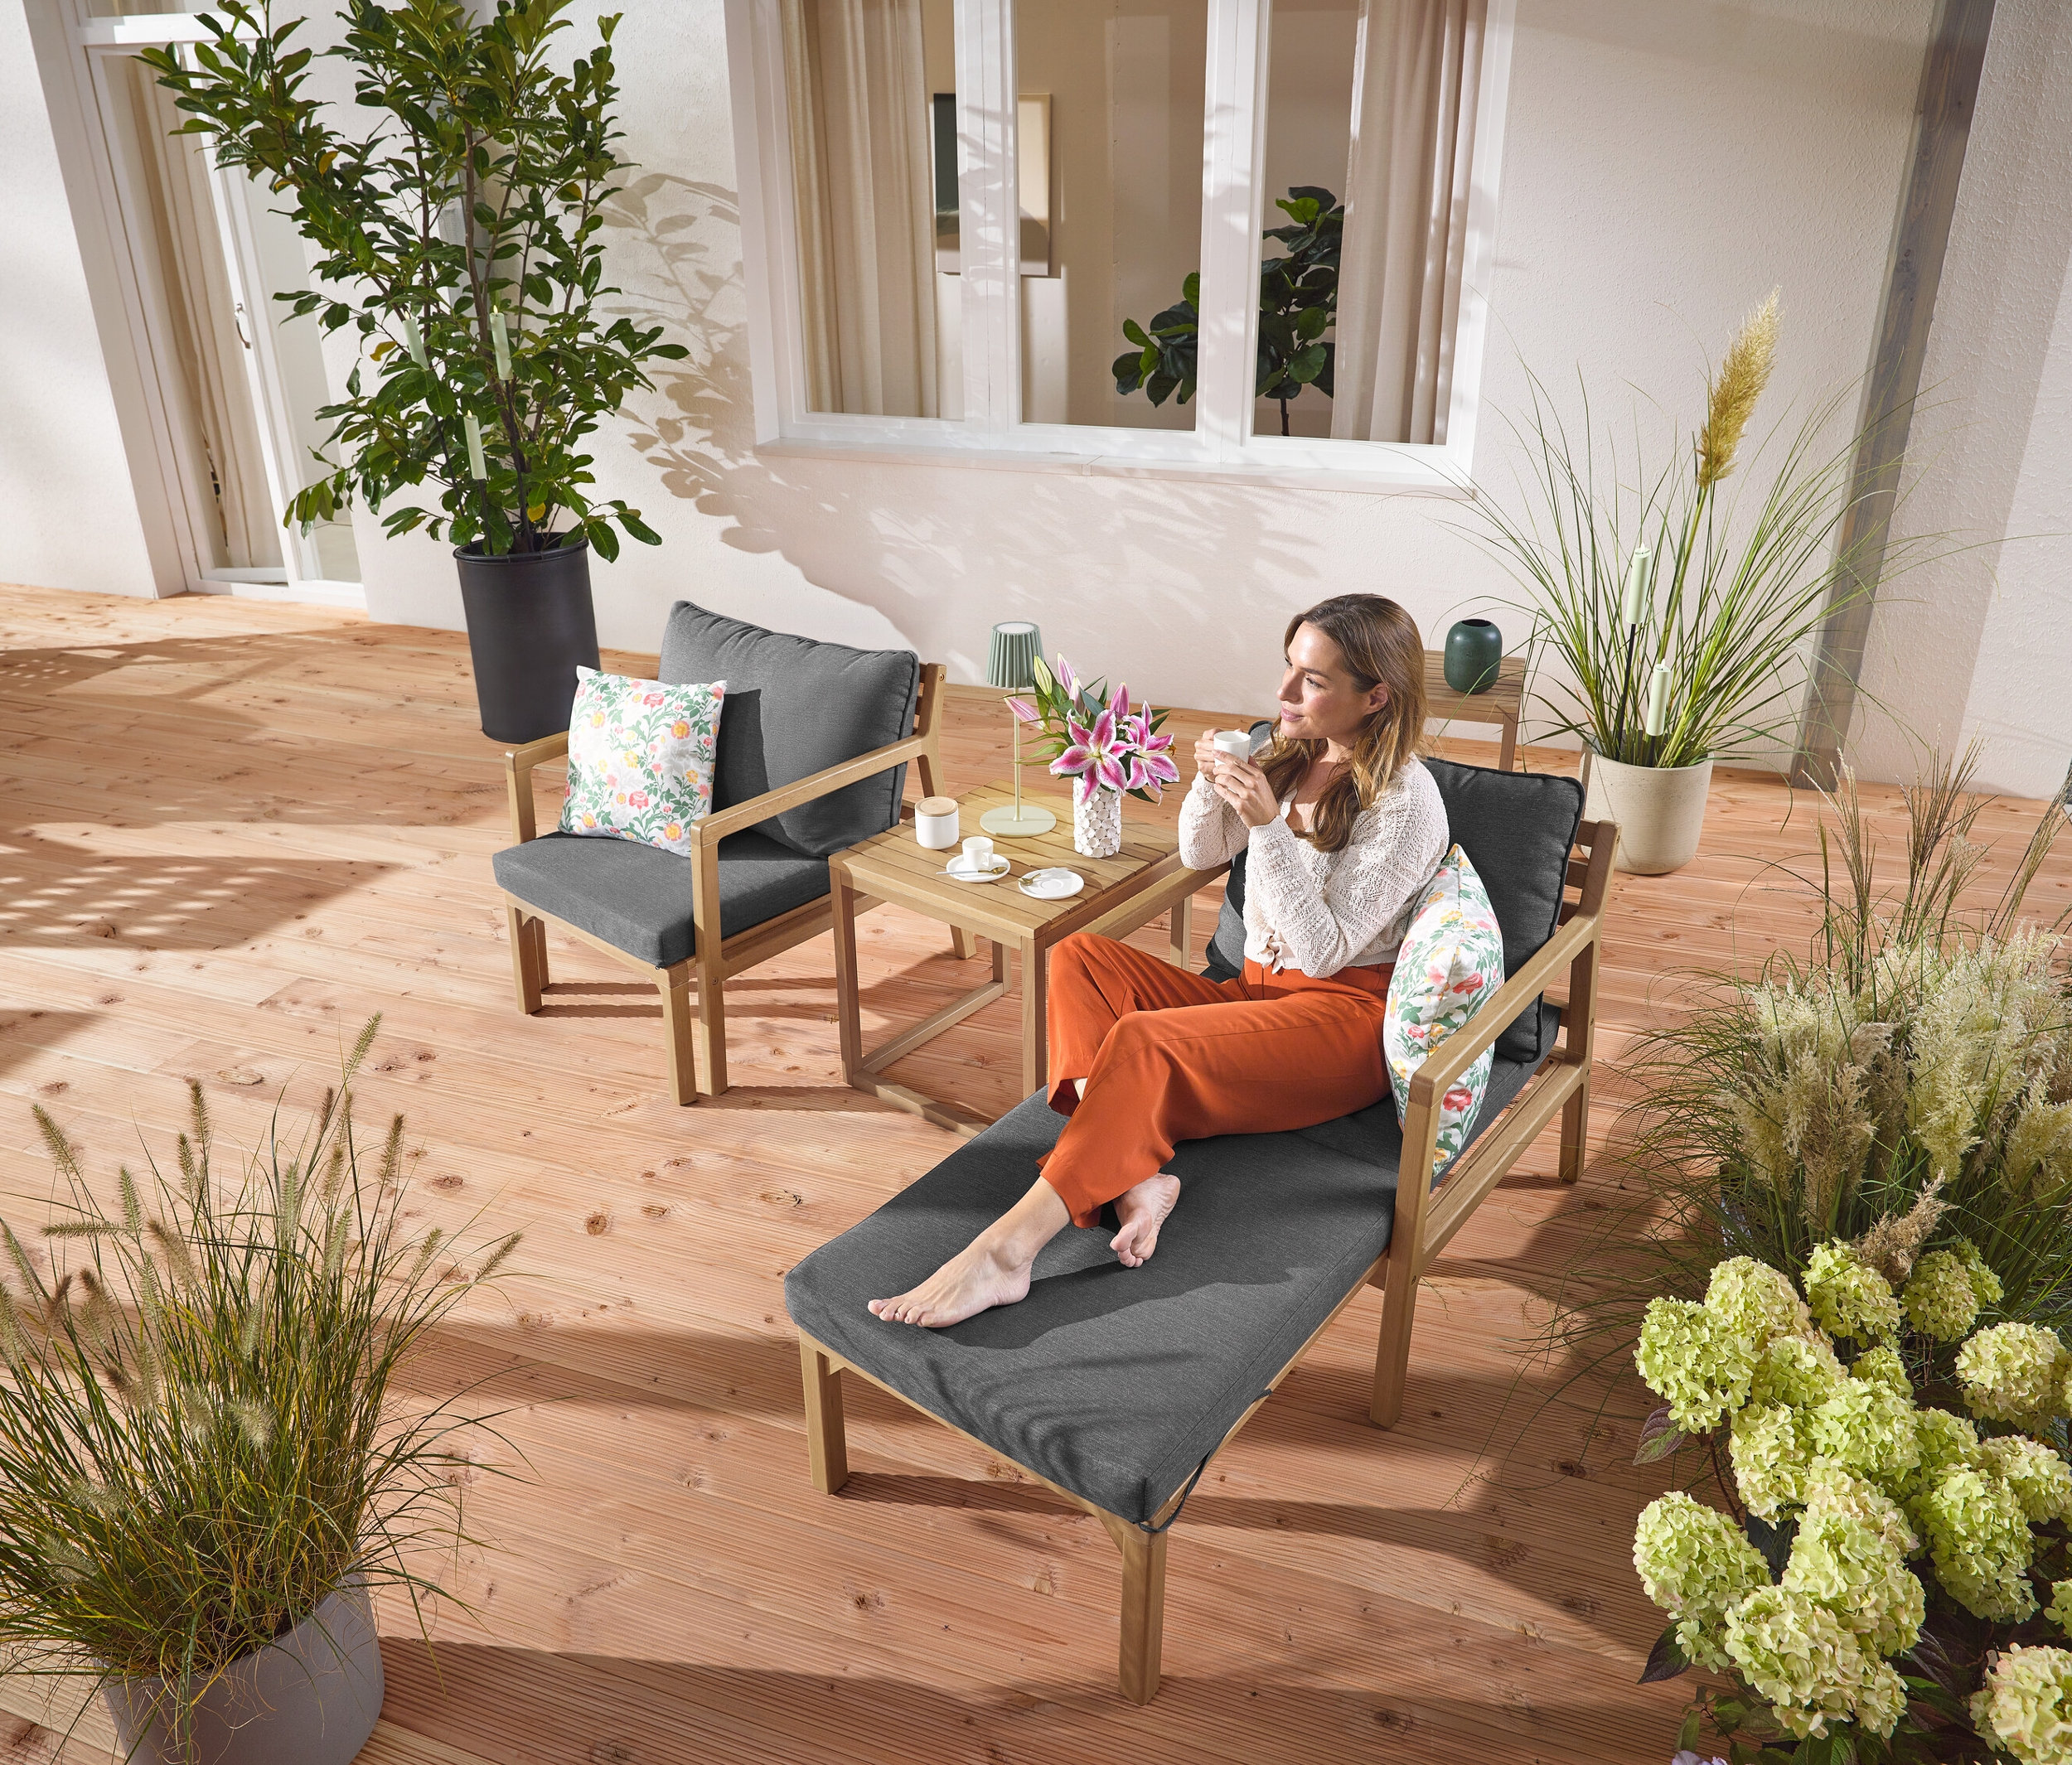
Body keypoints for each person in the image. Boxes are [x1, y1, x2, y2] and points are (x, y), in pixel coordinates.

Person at [869, 593, 1449, 1328]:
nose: (1282, 694)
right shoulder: (1293, 752)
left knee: (1143, 1041)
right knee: (1081, 957)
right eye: (1288, 668)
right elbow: (1199, 855)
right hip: (1255, 994)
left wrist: (1267, 825)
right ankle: (1136, 1175)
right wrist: (1213, 785)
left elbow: (1326, 952)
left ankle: (1005, 1254)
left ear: (1377, 696)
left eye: (1312, 681)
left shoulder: (1406, 802)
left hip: (1343, 1020)